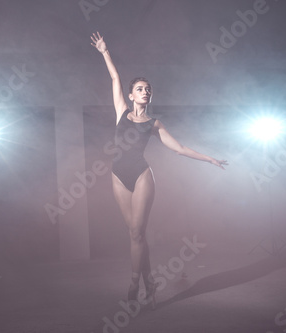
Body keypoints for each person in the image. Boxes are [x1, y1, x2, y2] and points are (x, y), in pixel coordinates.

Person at [91, 32, 228, 309]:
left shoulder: (154, 124)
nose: (145, 91)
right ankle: (150, 280)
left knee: (138, 232)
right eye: (140, 88)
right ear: (131, 95)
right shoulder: (121, 112)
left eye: (147, 88)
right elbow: (115, 79)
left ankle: (133, 282)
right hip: (118, 175)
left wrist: (209, 158)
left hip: (142, 176)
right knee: (134, 233)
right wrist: (105, 52)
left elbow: (178, 148)